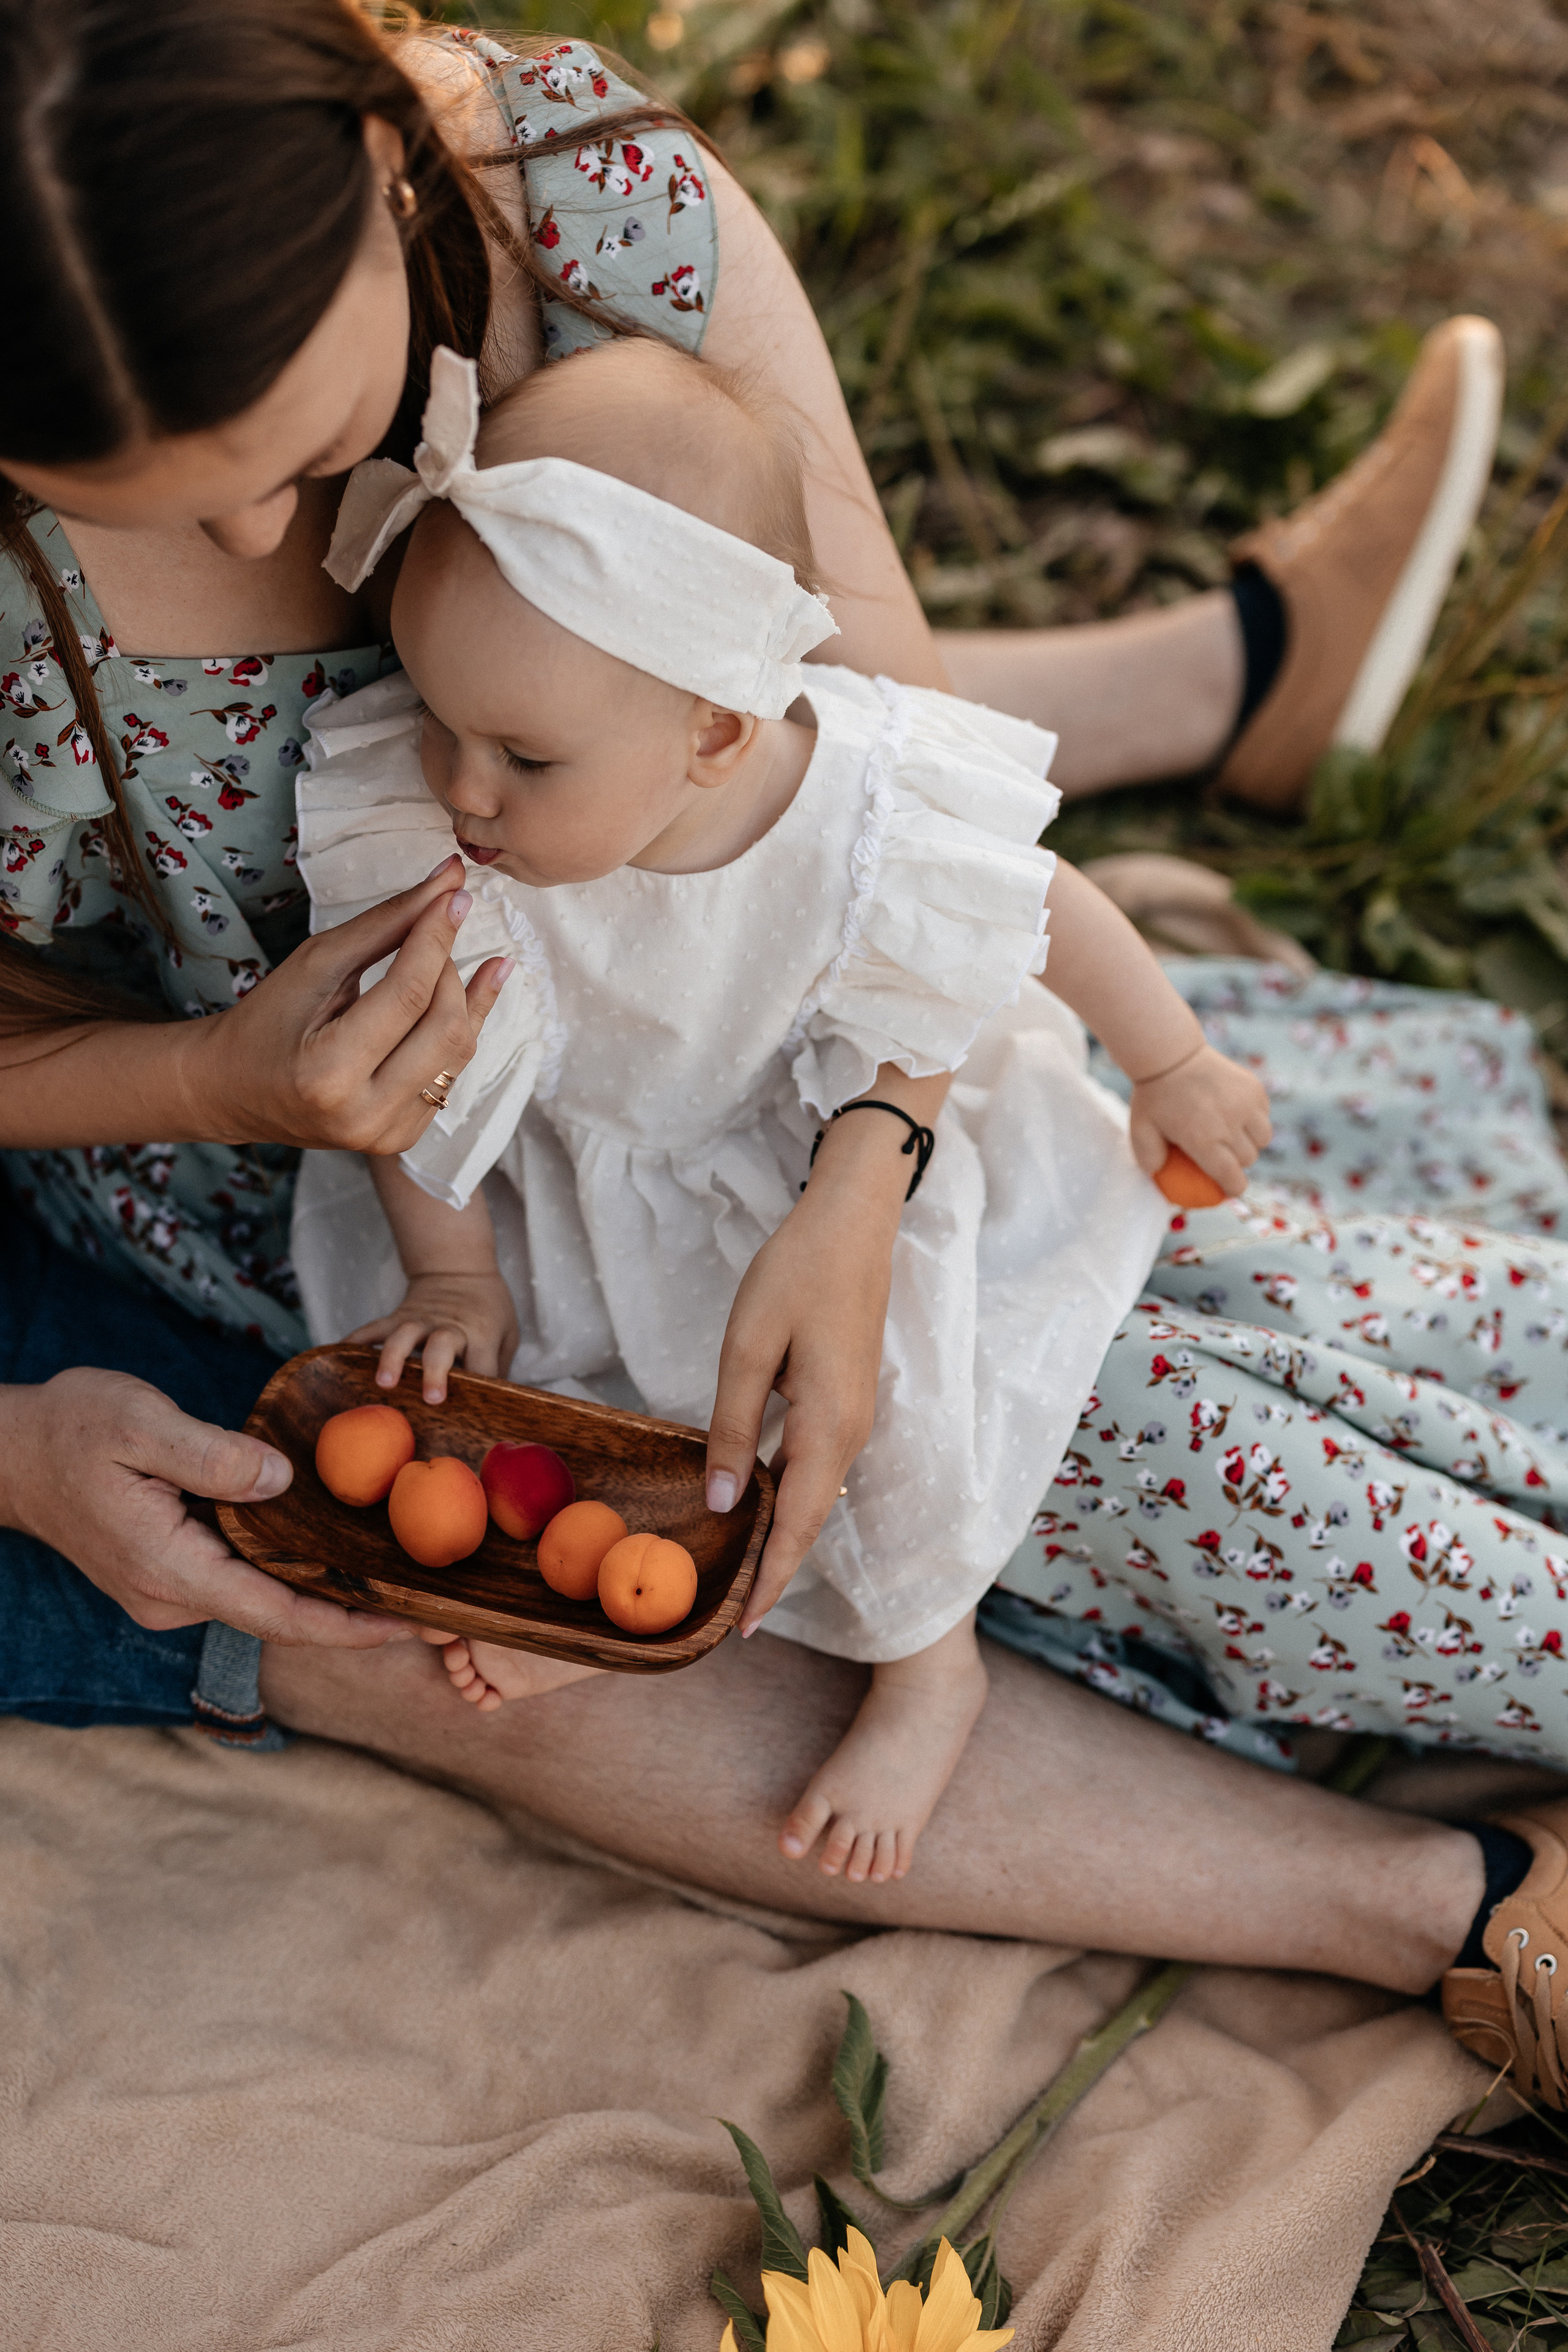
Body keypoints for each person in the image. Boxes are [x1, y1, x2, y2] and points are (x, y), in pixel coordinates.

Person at [0, 0, 1558, 2106]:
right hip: (318, 1173)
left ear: (382, 168)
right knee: (608, 1555)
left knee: (1088, 1391)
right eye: (168, 500)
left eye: (307, 435)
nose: (299, 533)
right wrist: (223, 1091)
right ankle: (1231, 676)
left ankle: (1225, 684)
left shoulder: (578, 215)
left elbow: (891, 757)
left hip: (781, 1031)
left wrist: (872, 1159)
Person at [284, 333, 1270, 1880]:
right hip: (568, 1182)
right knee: (548, 1398)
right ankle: (595, 1595)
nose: (461, 787)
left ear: (716, 734)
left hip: (802, 1167)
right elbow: (423, 1073)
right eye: (439, 720)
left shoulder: (856, 802)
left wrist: (1168, 1059)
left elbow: (1036, 907)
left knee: (878, 1413)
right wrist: (451, 1269)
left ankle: (924, 1660)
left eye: (520, 754)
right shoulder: (454, 821)